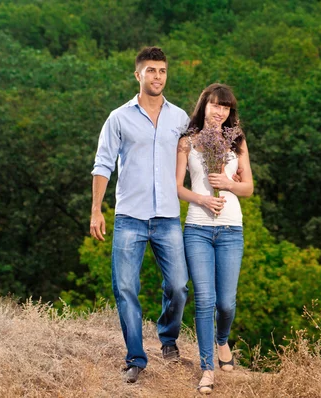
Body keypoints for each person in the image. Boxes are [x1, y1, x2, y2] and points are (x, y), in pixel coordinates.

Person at [90, 46, 190, 384]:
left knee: (178, 286)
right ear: (138, 75)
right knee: (125, 287)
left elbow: (195, 158)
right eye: (151, 70)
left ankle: (168, 338)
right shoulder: (119, 117)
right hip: (129, 216)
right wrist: (96, 210)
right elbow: (102, 164)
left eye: (162, 71)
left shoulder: (179, 119)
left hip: (167, 217)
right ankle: (135, 357)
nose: (157, 76)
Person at [176, 83, 254, 394]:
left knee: (226, 303)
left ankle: (222, 339)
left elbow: (248, 187)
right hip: (197, 229)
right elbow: (177, 187)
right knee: (205, 301)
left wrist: (228, 185)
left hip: (231, 229)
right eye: (214, 105)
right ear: (204, 106)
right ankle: (207, 368)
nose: (219, 111)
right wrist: (203, 199)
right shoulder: (187, 142)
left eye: (225, 107)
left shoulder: (237, 141)